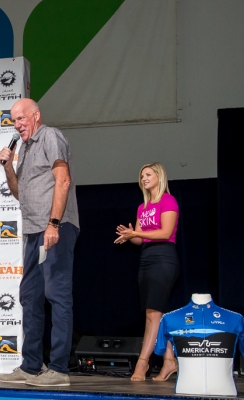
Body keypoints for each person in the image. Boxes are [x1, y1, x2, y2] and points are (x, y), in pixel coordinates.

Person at [0, 98, 80, 387]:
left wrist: (53, 224)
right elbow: (21, 194)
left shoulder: (50, 136)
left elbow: (63, 180)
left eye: (21, 119)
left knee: (57, 295)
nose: (17, 125)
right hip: (33, 232)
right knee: (30, 297)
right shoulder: (27, 148)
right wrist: (8, 167)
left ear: (36, 115)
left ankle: (58, 369)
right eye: (13, 121)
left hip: (55, 227)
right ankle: (31, 365)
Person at [114, 162, 180, 381]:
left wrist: (139, 234)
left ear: (159, 176)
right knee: (156, 314)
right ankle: (169, 361)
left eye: (148, 174)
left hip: (164, 258)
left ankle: (142, 364)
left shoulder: (168, 201)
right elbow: (142, 239)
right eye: (141, 175)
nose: (143, 178)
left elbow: (165, 232)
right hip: (147, 259)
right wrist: (132, 235)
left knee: (153, 314)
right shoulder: (142, 207)